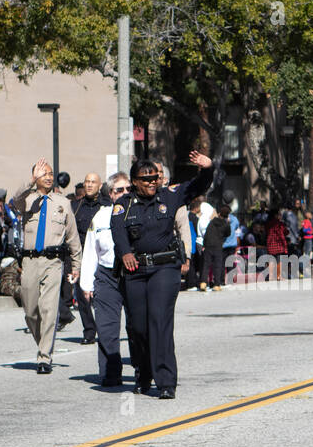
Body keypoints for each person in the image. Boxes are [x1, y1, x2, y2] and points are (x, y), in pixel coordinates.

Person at [111, 151, 214, 398]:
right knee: (138, 326)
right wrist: (125, 252)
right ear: (134, 181)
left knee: (160, 321)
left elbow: (198, 186)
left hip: (164, 268)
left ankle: (166, 381)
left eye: (155, 178)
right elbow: (117, 230)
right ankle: (143, 373)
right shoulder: (123, 205)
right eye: (146, 180)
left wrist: (207, 169)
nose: (152, 183)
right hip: (135, 270)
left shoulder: (170, 195)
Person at [15, 158, 82, 374]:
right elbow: (14, 199)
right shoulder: (27, 201)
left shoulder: (63, 203)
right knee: (31, 310)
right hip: (30, 261)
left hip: (53, 261)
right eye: (44, 174)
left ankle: (44, 356)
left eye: (51, 174)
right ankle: (42, 342)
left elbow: (72, 237)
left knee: (48, 309)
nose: (49, 177)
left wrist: (76, 265)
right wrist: (30, 181)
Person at [80, 172, 132, 385]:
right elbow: (91, 250)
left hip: (133, 274)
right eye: (119, 190)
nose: (124, 193)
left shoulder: (137, 212)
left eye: (128, 189)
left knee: (137, 327)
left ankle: (143, 369)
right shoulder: (101, 217)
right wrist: (86, 283)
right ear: (110, 194)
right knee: (107, 327)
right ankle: (111, 372)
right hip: (107, 275)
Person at [71, 172, 104, 342]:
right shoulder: (75, 206)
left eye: (93, 182)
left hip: (101, 255)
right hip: (81, 255)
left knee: (100, 295)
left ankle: (105, 327)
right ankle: (89, 331)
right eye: (87, 182)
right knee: (81, 295)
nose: (89, 185)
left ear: (100, 185)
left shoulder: (107, 205)